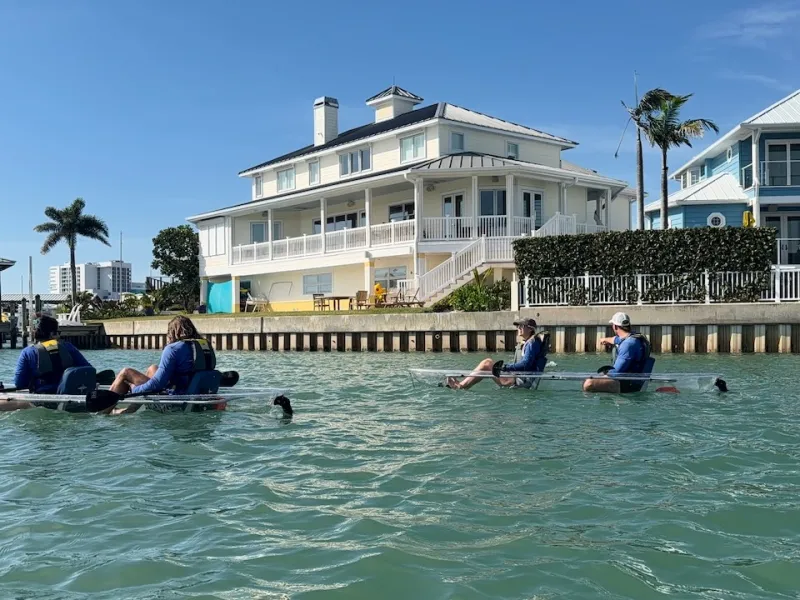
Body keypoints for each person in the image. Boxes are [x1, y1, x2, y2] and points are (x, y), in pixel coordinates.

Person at [109, 315, 215, 414]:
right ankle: (128, 410)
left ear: (172, 332)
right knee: (153, 368)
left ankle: (103, 409)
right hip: (198, 395)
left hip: (176, 403)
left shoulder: (172, 349)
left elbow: (158, 384)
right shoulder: (205, 345)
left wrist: (135, 389)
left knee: (125, 372)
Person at [0, 315, 93, 412]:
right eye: (58, 332)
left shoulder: (28, 353)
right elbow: (88, 371)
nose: (59, 336)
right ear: (52, 334)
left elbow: (20, 383)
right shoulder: (68, 347)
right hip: (70, 398)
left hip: (42, 401)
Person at [446, 318, 549, 390]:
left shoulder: (532, 343)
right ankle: (463, 385)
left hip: (520, 382)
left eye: (521, 326)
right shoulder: (528, 342)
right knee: (487, 363)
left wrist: (504, 367)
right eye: (518, 326)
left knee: (487, 363)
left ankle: (461, 386)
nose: (518, 328)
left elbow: (526, 364)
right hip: (518, 378)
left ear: (530, 329)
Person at [583, 312, 651, 394]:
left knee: (588, 383)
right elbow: (617, 339)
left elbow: (616, 372)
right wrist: (605, 340)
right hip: (637, 380)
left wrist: (603, 375)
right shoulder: (636, 337)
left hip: (628, 385)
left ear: (615, 326)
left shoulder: (627, 345)